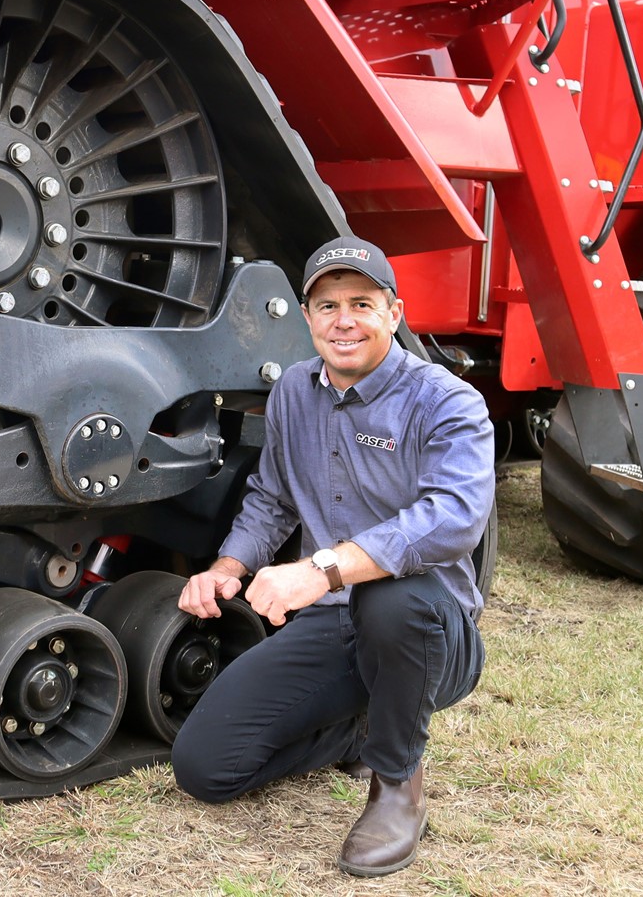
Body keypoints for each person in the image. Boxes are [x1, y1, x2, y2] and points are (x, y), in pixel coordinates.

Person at [170, 234, 492, 878]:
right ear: (308, 316)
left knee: (390, 593)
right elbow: (272, 498)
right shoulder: (294, 391)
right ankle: (361, 730)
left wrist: (321, 569)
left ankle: (398, 781)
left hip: (430, 634)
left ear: (393, 315)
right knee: (206, 768)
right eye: (326, 305)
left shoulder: (446, 400)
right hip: (334, 623)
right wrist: (226, 569)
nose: (343, 321)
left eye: (362, 304)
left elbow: (454, 519)